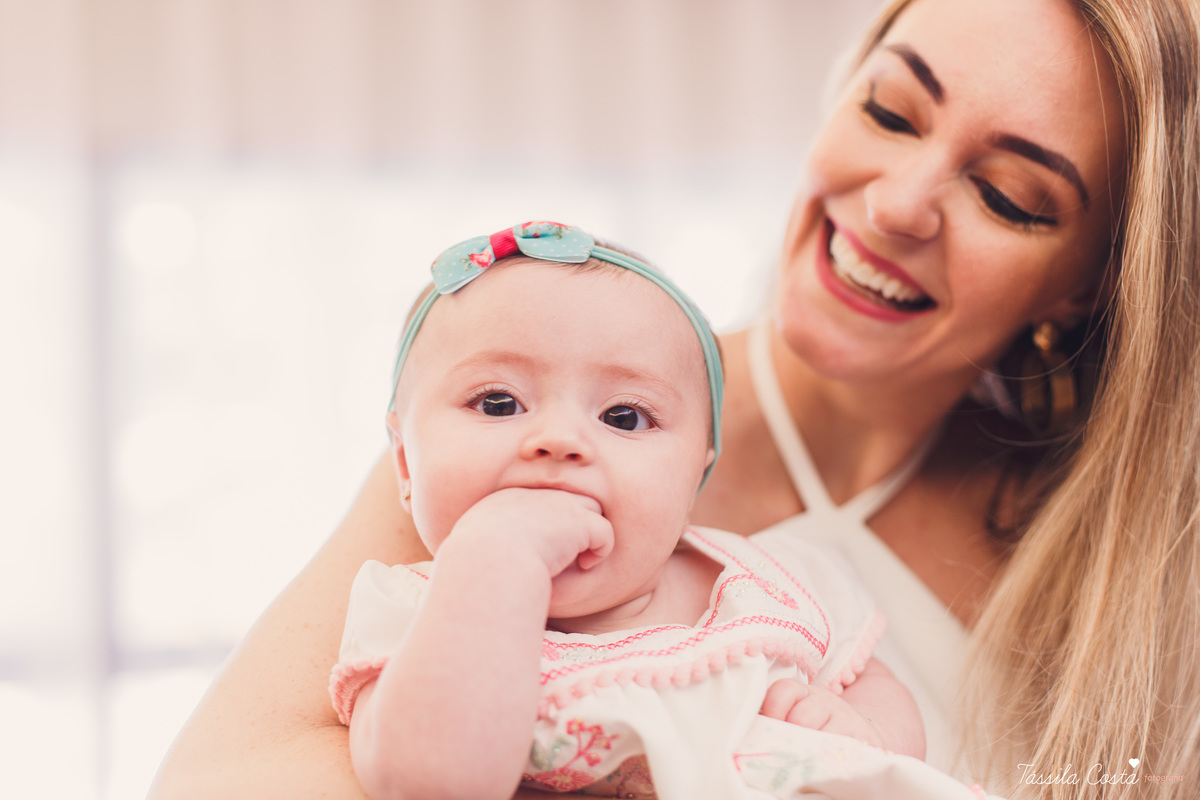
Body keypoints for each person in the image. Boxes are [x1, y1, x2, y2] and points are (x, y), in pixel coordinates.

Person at [150, 0, 1200, 798]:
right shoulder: (511, 437)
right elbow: (222, 776)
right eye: (889, 109)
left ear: (1092, 276)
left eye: (1008, 195)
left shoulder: (1118, 567)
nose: (896, 204)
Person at [332, 221, 927, 800]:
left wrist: (865, 733)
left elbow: (875, 689)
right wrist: (495, 558)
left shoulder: (772, 586)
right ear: (406, 464)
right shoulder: (414, 616)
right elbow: (433, 781)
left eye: (623, 417)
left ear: (696, 474)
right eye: (498, 402)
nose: (559, 439)